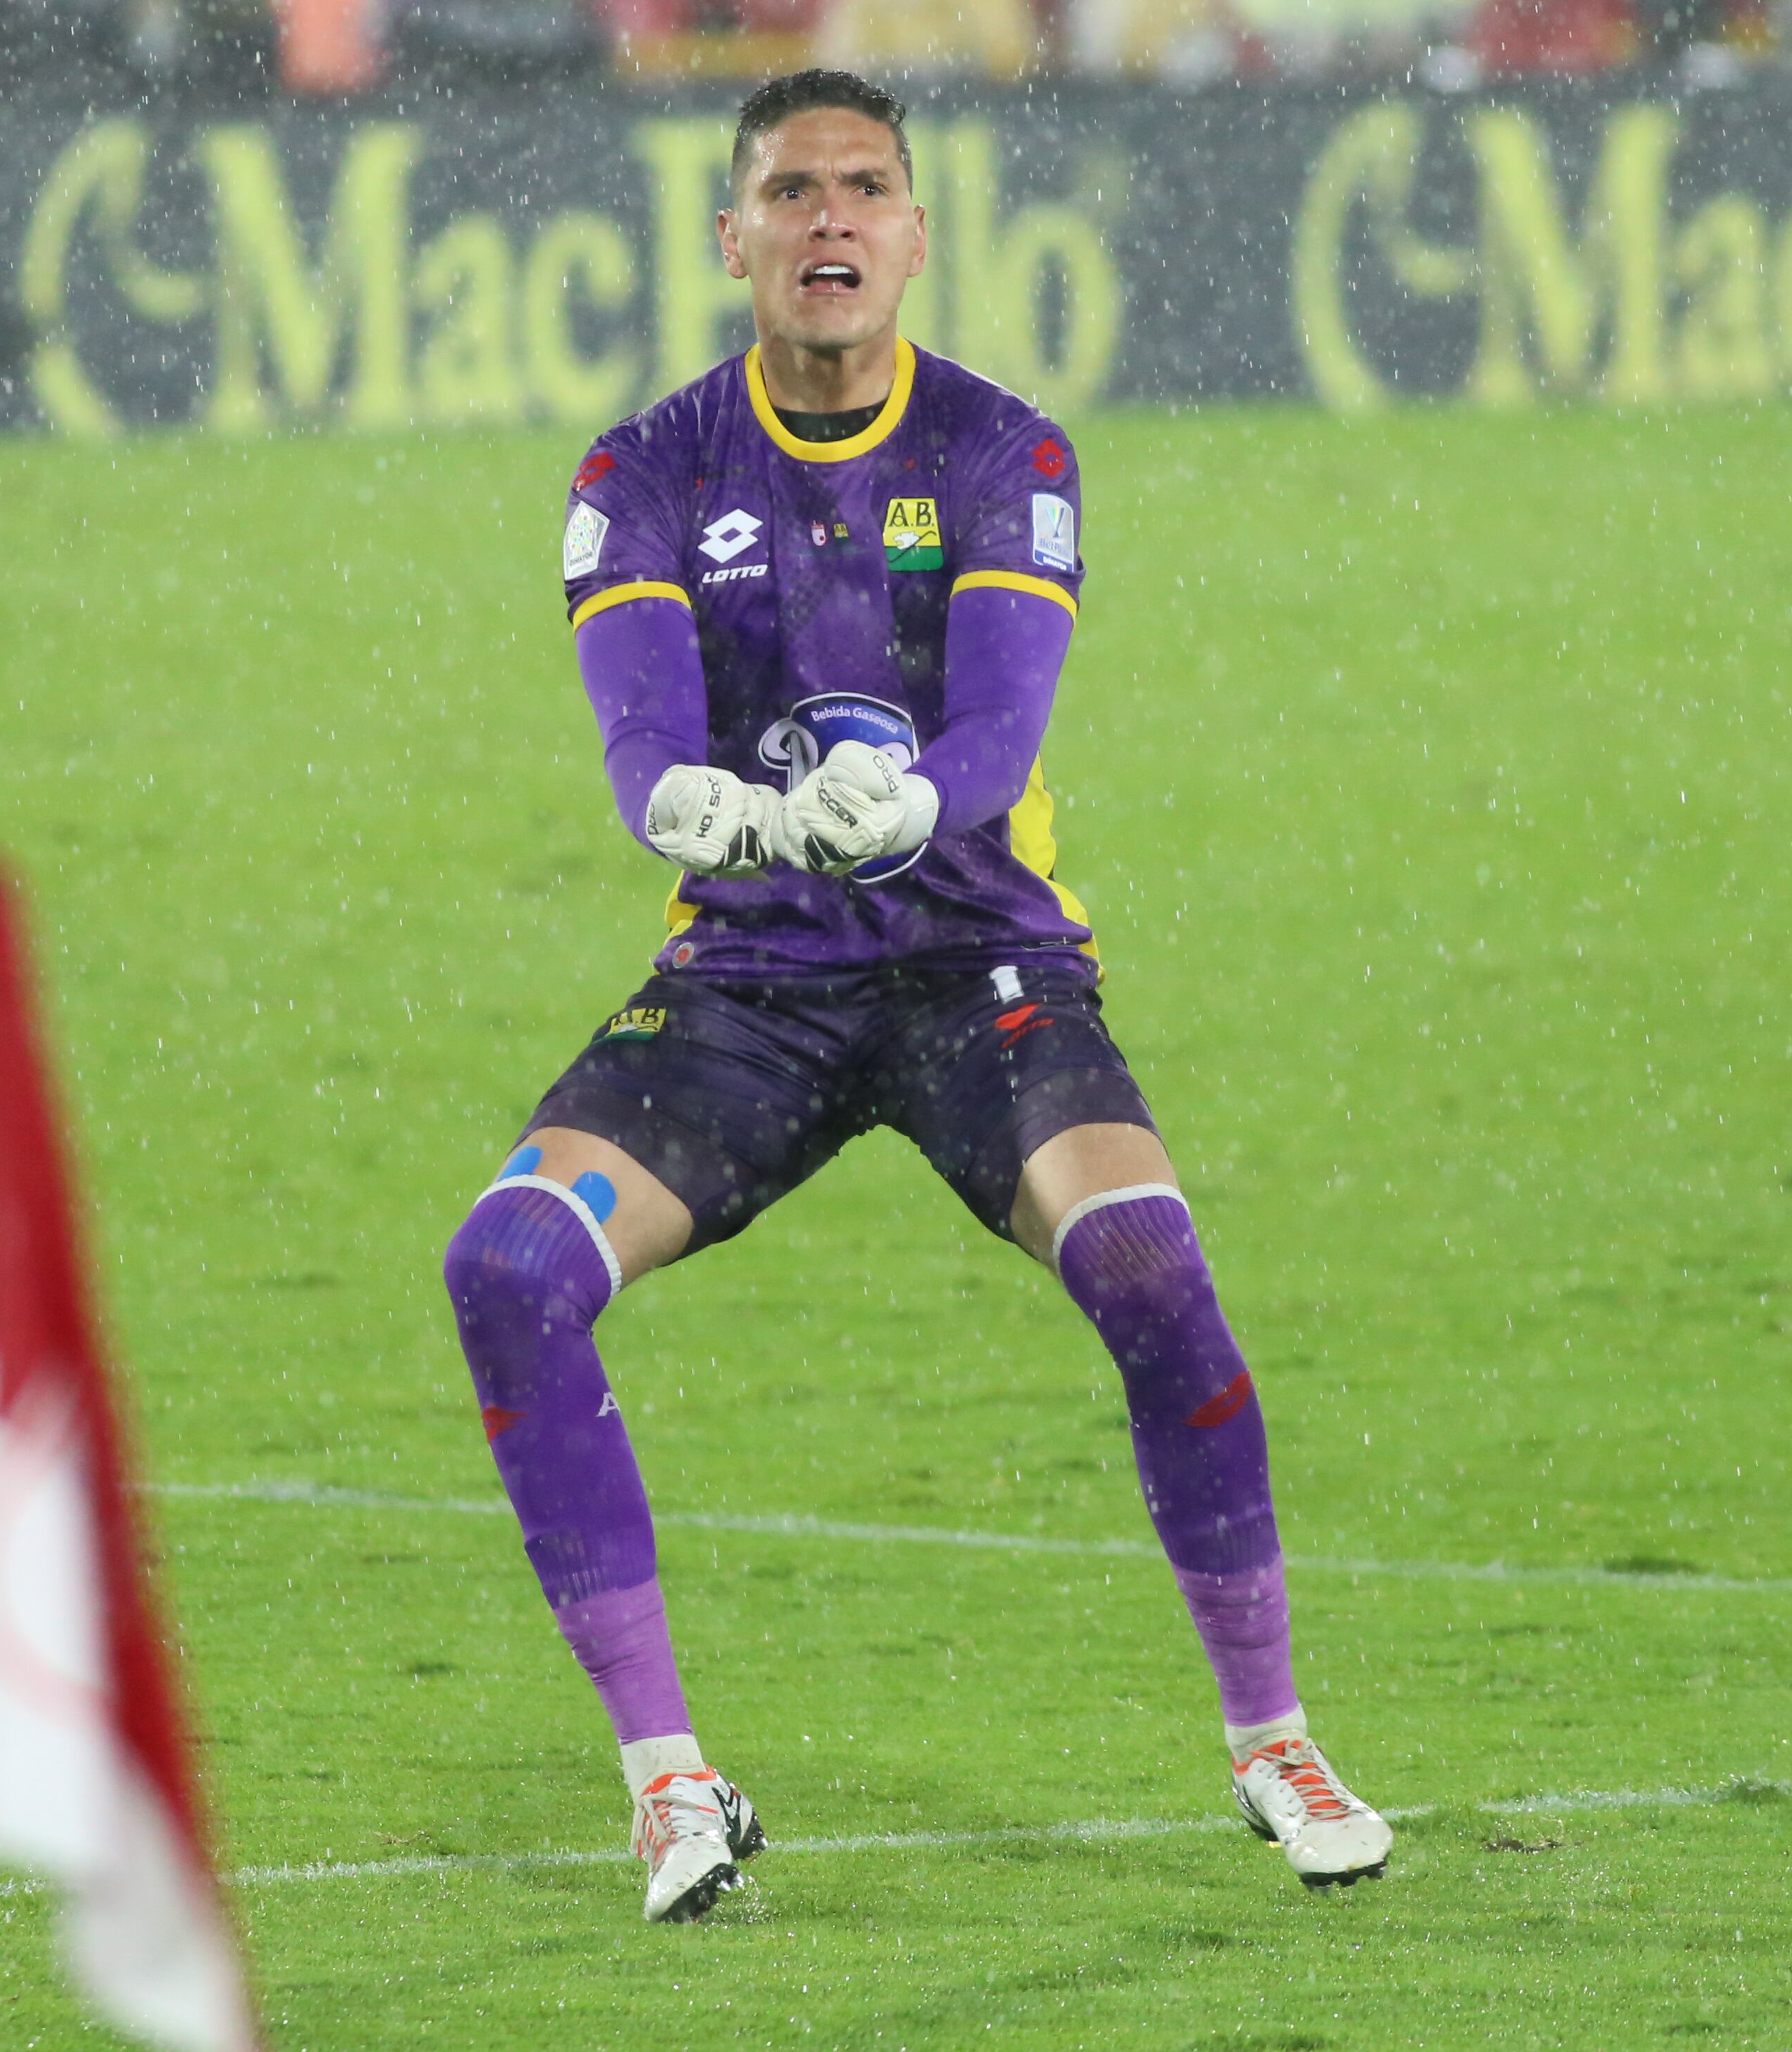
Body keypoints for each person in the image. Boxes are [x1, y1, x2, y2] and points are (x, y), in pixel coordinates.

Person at [442, 66, 1392, 1925]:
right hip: (750, 983)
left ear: (915, 234)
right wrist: (681, 800)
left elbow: (997, 720)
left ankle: (1272, 1739)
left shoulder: (999, 449)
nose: (826, 221)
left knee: (1143, 1259)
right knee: (503, 1271)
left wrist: (923, 800)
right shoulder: (637, 471)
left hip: (984, 970)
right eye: (787, 192)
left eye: (861, 188)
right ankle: (668, 1784)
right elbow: (638, 723)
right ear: (729, 237)